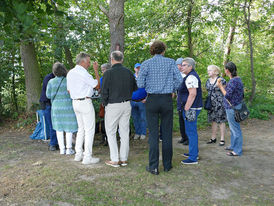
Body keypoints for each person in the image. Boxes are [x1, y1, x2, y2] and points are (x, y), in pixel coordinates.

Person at [137, 40, 183, 175]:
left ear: (152, 50)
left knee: (153, 134)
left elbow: (140, 84)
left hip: (151, 99)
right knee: (167, 133)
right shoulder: (170, 62)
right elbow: (180, 81)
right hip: (166, 99)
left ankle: (154, 166)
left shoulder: (145, 64)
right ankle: (167, 165)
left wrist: (150, 86)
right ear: (163, 50)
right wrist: (172, 88)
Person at [101, 51, 137, 168]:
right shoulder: (128, 72)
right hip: (126, 104)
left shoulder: (108, 73)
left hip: (113, 105)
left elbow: (104, 90)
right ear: (122, 59)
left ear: (112, 59)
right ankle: (124, 158)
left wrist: (104, 103)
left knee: (111, 132)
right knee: (124, 132)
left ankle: (115, 159)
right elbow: (134, 88)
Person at [66, 52, 101, 165]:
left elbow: (69, 90)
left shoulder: (70, 73)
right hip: (85, 102)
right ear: (83, 62)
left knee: (81, 129)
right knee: (89, 130)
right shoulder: (83, 73)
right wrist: (96, 70)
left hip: (75, 102)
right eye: (89, 62)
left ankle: (78, 154)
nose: (90, 64)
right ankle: (87, 157)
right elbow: (97, 86)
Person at [46, 62, 78, 155]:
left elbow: (48, 95)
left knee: (58, 128)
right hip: (68, 106)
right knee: (69, 128)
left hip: (56, 107)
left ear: (54, 71)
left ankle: (62, 149)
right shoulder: (68, 80)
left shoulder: (51, 82)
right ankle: (69, 149)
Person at [216, 61, 244, 156]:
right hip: (235, 106)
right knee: (233, 128)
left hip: (233, 108)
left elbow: (227, 95)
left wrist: (220, 86)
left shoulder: (233, 81)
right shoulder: (237, 79)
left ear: (227, 70)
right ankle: (233, 145)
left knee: (235, 129)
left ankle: (237, 150)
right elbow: (231, 91)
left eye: (224, 69)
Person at [179, 57, 203, 165]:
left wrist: (186, 107)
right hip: (192, 107)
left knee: (191, 132)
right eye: (182, 64)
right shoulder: (189, 76)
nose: (182, 66)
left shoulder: (191, 77)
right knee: (190, 131)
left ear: (190, 66)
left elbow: (192, 94)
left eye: (184, 65)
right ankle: (193, 152)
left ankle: (193, 158)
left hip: (191, 108)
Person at [205, 65, 227, 146]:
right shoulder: (208, 80)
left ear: (215, 71)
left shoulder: (221, 80)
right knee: (213, 120)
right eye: (208, 70)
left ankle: (222, 139)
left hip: (220, 103)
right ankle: (213, 138)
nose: (208, 72)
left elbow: (225, 91)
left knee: (221, 121)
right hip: (211, 104)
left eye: (210, 70)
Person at [39, 73, 58, 151]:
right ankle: (53, 144)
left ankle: (54, 143)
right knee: (52, 124)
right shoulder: (49, 78)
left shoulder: (53, 78)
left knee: (53, 124)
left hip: (50, 104)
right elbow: (50, 93)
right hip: (47, 104)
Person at [131, 63, 147, 140]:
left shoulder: (145, 78)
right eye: (137, 68)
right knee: (135, 118)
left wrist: (146, 98)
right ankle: (137, 133)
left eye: (140, 68)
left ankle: (143, 133)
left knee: (143, 118)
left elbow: (149, 88)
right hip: (132, 101)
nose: (138, 69)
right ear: (134, 69)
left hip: (142, 101)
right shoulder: (131, 78)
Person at [176, 58, 189, 145]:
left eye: (180, 65)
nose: (179, 67)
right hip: (179, 100)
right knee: (181, 119)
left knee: (186, 120)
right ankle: (183, 137)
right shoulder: (177, 75)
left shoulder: (186, 76)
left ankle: (188, 138)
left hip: (186, 101)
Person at [98, 63, 111, 146]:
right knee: (104, 120)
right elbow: (99, 88)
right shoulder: (102, 78)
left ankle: (109, 139)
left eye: (104, 69)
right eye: (101, 70)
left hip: (111, 102)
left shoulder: (112, 78)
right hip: (104, 102)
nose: (102, 71)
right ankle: (104, 138)